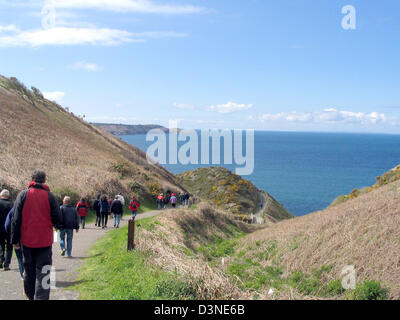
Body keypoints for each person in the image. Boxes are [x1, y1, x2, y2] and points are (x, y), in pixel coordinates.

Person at [11, 170, 62, 300]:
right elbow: (58, 218)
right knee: (44, 271)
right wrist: (58, 226)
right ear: (44, 180)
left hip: (27, 240)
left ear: (32, 179)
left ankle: (29, 295)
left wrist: (14, 240)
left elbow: (16, 219)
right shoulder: (50, 196)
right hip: (44, 241)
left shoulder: (23, 195)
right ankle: (42, 298)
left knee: (29, 269)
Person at [4, 207, 24, 279]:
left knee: (20, 257)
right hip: (32, 237)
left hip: (18, 237)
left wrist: (12, 236)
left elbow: (7, 225)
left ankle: (23, 274)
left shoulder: (14, 209)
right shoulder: (34, 208)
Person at [0, 189, 14, 271]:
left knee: (1, 245)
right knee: (9, 246)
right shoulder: (12, 204)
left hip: (0, 228)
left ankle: (1, 260)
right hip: (9, 228)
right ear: (8, 196)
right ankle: (7, 264)